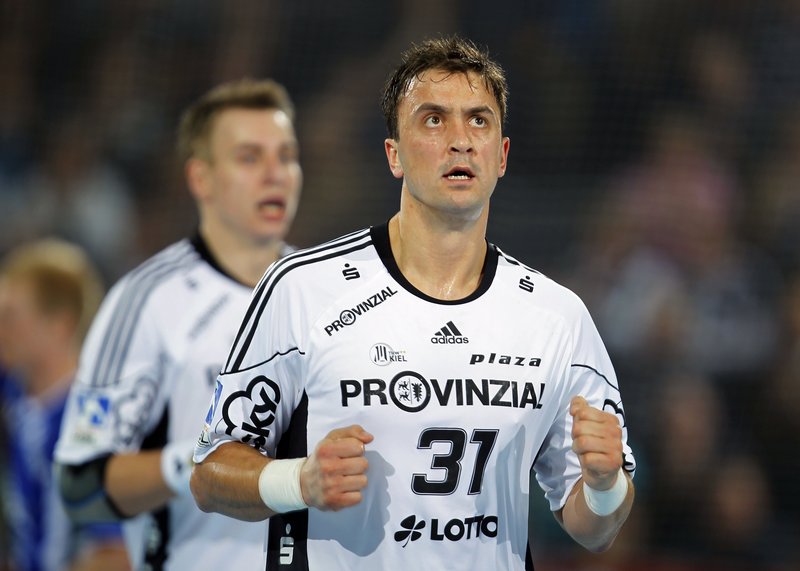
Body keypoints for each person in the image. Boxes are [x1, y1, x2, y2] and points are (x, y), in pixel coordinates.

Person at [191, 36, 635, 570]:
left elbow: (596, 530)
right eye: (433, 120)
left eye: (478, 121)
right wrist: (299, 481)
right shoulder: (304, 289)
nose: (460, 141)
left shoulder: (557, 318)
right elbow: (209, 473)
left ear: (501, 156)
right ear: (394, 155)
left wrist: (604, 486)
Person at [53, 78, 303, 570]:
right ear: (200, 178)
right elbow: (80, 487)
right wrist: (193, 460)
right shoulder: (147, 299)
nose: (276, 174)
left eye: (287, 156)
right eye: (250, 158)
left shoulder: (329, 294)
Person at [0, 239, 129, 571]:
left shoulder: (91, 421)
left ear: (60, 324)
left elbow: (116, 553)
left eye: (10, 316)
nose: (2, 330)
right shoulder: (19, 393)